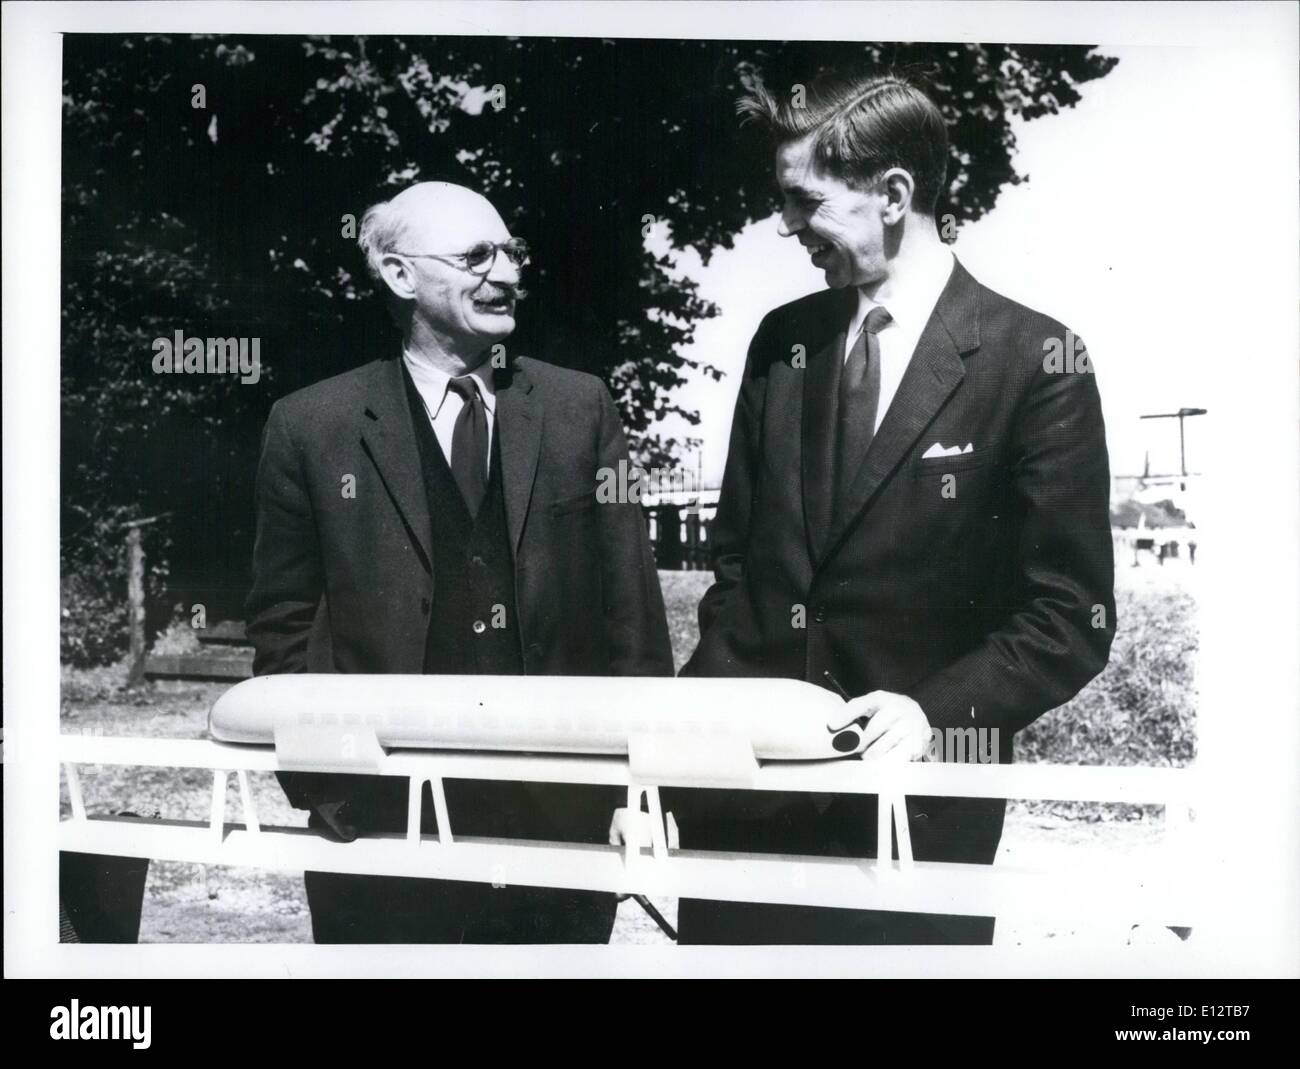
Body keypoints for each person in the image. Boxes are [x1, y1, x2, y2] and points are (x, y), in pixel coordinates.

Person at [674, 72, 1115, 944]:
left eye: (805, 201)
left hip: (917, 827)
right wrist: (689, 760)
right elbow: (734, 573)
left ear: (894, 195)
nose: (787, 227)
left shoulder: (1036, 359)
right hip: (746, 815)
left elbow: (1071, 612)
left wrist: (931, 715)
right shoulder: (782, 343)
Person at [245, 181, 673, 943]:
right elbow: (281, 623)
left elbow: (631, 614)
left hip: (560, 822)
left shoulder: (582, 409)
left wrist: (638, 785)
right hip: (379, 826)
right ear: (400, 275)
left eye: (513, 252)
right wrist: (324, 785)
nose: (507, 271)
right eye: (478, 254)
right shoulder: (311, 426)